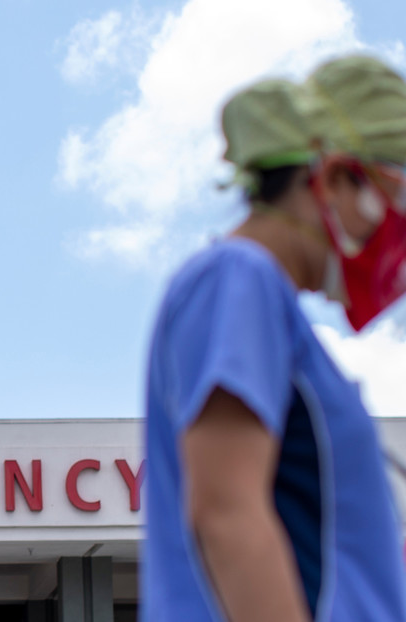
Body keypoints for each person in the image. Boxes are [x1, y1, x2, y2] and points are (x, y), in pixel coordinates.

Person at [143, 55, 406, 621]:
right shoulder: (237, 277)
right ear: (337, 177)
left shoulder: (272, 310)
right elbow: (226, 512)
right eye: (401, 204)